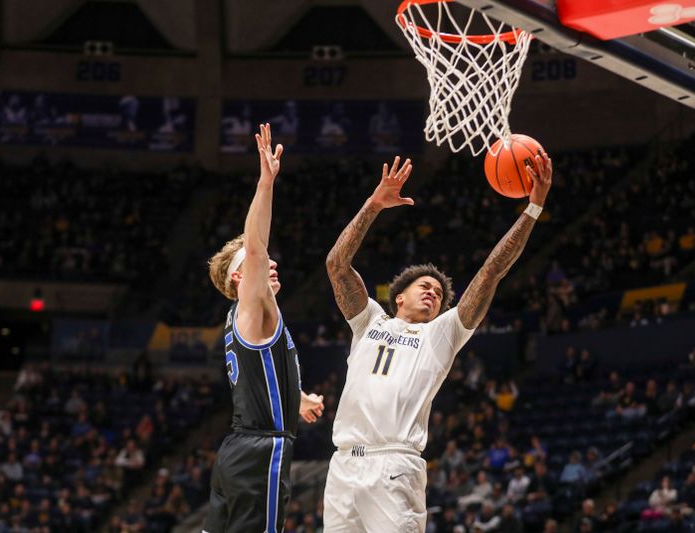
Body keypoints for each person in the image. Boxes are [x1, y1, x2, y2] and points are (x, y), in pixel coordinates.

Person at [323, 153, 552, 532]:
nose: (432, 294)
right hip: (344, 465)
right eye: (424, 287)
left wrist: (534, 208)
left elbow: (492, 271)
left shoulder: (439, 334)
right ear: (398, 297)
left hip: (394, 465)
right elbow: (336, 265)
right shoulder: (368, 321)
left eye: (438, 294)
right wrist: (374, 205)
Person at [203, 124, 324, 532]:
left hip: (237, 449)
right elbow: (255, 246)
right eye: (256, 265)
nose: (270, 263)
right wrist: (265, 183)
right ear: (240, 279)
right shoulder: (251, 305)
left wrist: (299, 398)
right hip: (262, 449)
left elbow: (261, 377)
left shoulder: (246, 320)